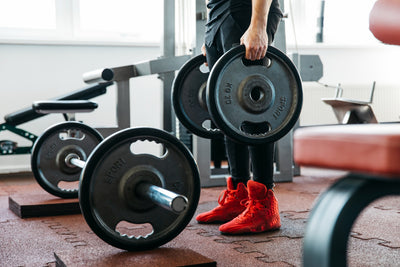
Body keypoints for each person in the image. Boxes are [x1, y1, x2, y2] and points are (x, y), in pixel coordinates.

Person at [196, 0, 283, 235]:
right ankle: (239, 195)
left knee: (253, 104)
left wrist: (258, 25)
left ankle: (264, 204)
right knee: (228, 109)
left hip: (246, 10)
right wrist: (211, 33)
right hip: (219, 15)